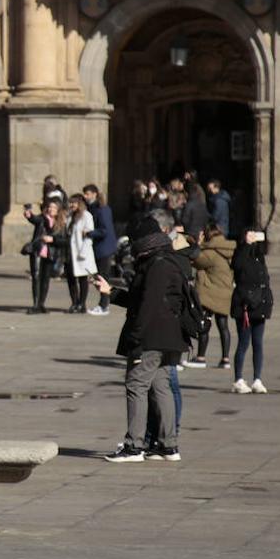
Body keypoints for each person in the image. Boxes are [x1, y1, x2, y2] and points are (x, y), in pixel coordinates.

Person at [95, 214, 187, 463]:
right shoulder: (166, 260)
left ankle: (134, 445)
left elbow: (148, 307)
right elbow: (140, 299)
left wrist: (136, 343)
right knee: (160, 387)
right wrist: (111, 292)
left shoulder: (156, 265)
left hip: (151, 337)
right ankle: (168, 446)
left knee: (136, 385)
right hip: (169, 337)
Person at [231, 229, 273, 395]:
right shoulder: (240, 253)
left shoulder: (258, 255)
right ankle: (238, 379)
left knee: (258, 343)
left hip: (259, 305)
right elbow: (237, 266)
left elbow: (264, 278)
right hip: (244, 305)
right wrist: (246, 245)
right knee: (243, 342)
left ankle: (257, 378)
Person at [192, 222, 234, 369]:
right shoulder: (229, 250)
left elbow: (195, 259)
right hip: (225, 292)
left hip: (210, 293)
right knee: (223, 326)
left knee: (204, 324)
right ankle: (226, 358)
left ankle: (201, 357)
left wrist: (198, 243)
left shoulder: (210, 253)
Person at [24, 199, 65, 315]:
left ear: (58, 210)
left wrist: (53, 239)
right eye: (49, 207)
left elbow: (63, 239)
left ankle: (41, 304)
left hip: (50, 253)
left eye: (54, 207)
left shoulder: (60, 223)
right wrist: (28, 214)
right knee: (36, 277)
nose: (51, 209)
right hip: (37, 252)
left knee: (45, 279)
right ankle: (35, 304)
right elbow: (33, 219)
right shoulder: (42, 218)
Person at [83, 185, 117, 316]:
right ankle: (103, 304)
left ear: (95, 194)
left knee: (103, 277)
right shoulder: (93, 208)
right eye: (85, 194)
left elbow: (104, 230)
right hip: (100, 248)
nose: (86, 196)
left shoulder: (102, 209)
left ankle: (104, 305)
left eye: (88, 194)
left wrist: (89, 233)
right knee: (100, 276)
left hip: (104, 248)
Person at [63, 195, 96, 314]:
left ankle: (82, 304)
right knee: (71, 279)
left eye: (74, 203)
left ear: (80, 204)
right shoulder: (70, 216)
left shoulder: (86, 216)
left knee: (83, 279)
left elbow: (89, 236)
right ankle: (74, 302)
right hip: (70, 253)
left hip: (81, 253)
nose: (72, 205)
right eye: (70, 203)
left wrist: (83, 252)